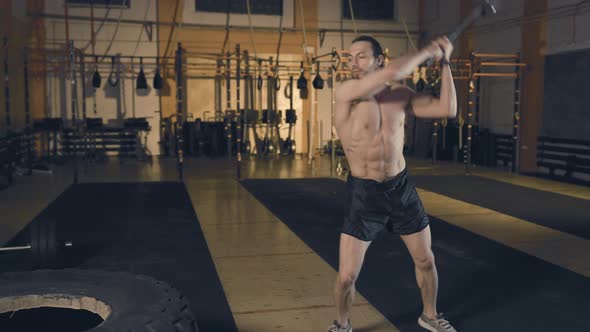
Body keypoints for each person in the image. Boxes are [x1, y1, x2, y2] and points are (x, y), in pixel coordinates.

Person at [328, 35, 458, 332]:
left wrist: (445, 62)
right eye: (350, 57)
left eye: (361, 56)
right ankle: (342, 324)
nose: (353, 63)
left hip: (400, 191)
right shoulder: (348, 92)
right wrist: (427, 50)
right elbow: (391, 73)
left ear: (378, 59)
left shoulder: (400, 95)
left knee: (426, 260)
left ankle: (430, 315)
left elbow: (447, 109)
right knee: (347, 276)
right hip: (364, 195)